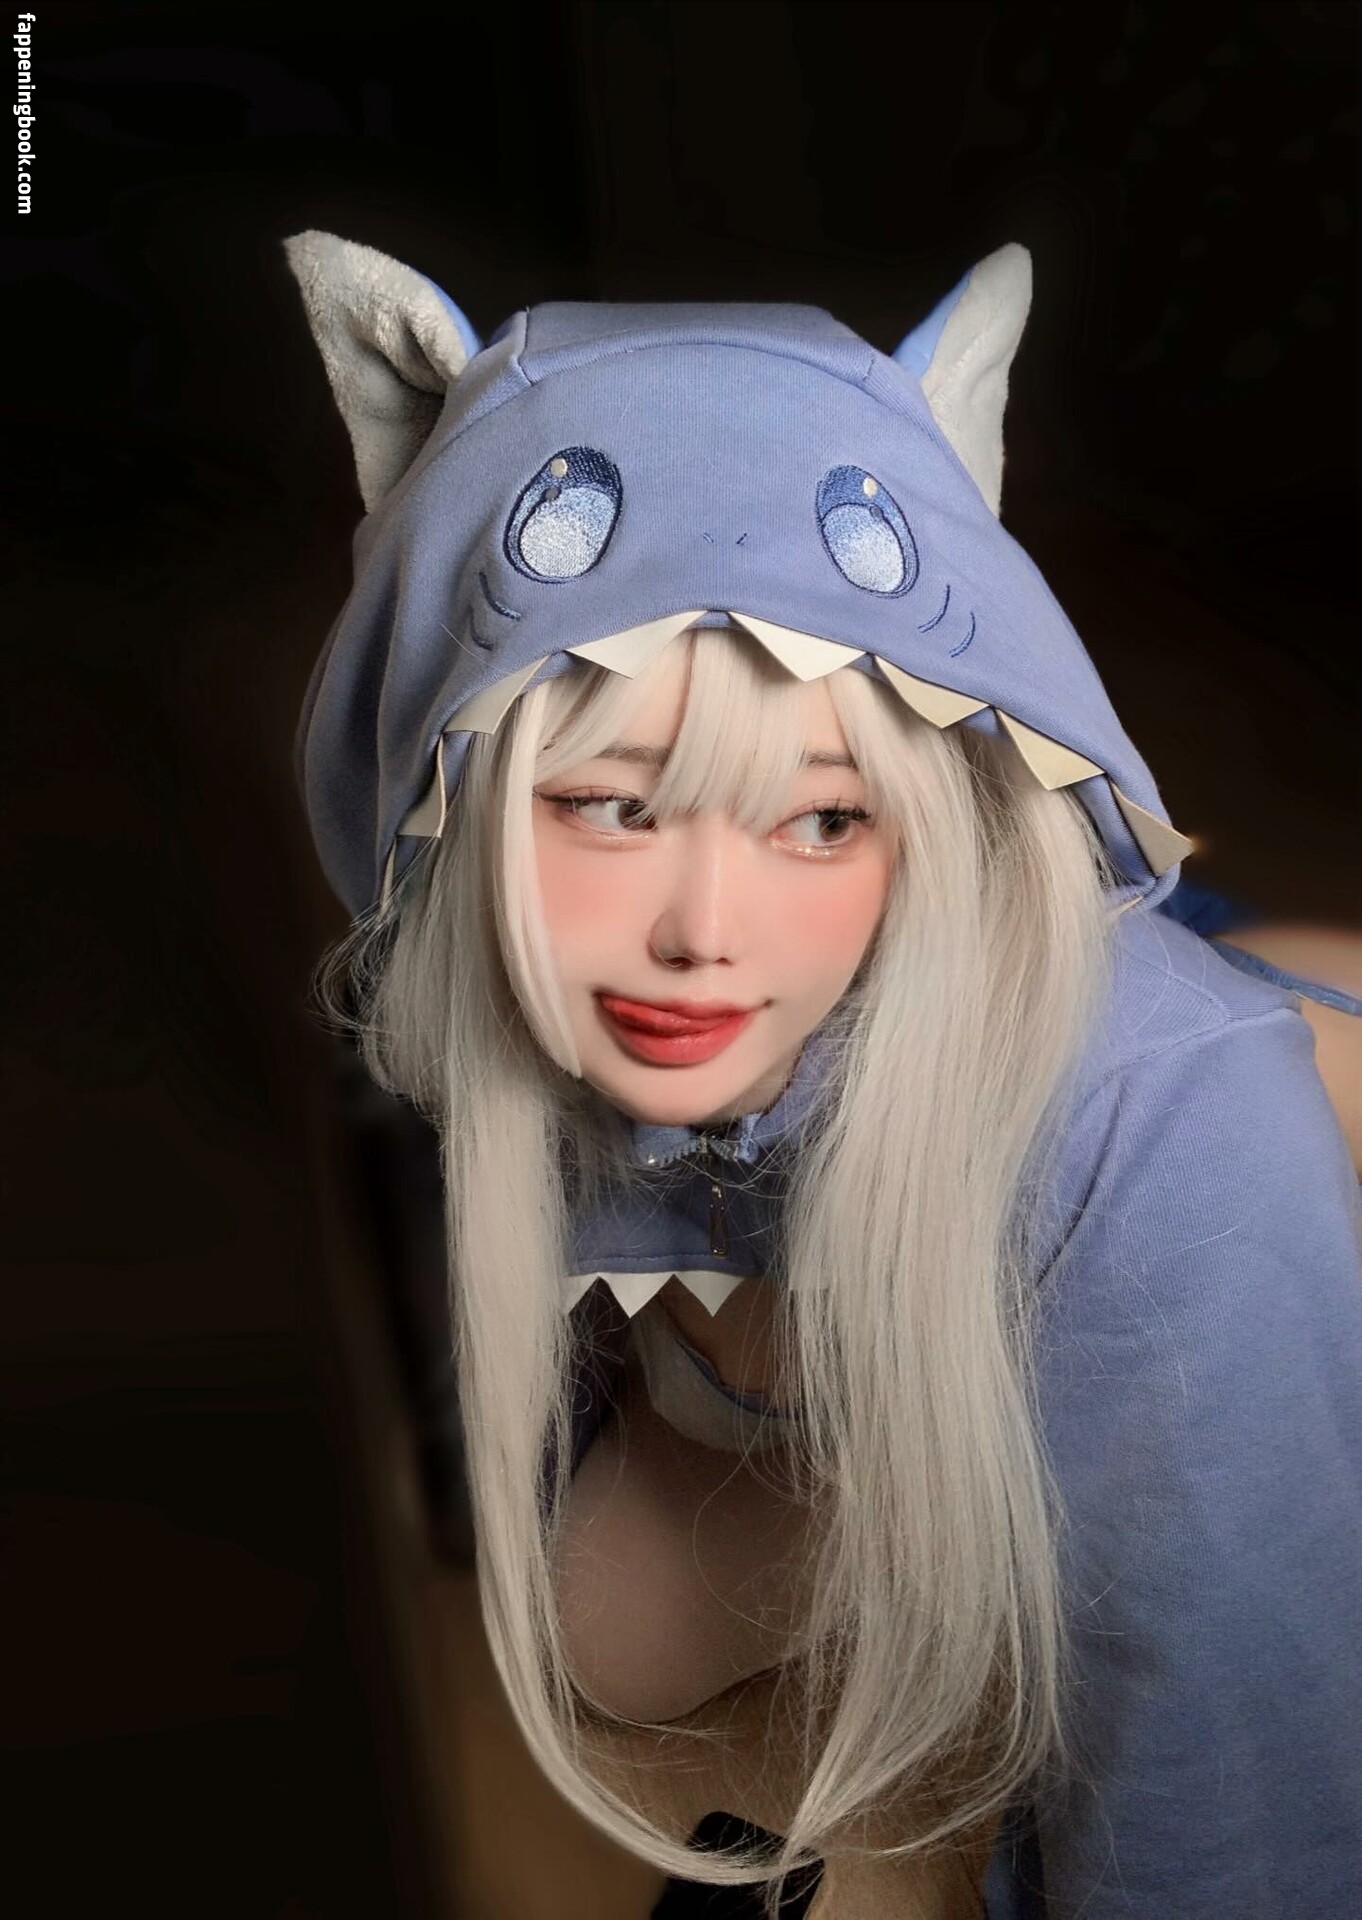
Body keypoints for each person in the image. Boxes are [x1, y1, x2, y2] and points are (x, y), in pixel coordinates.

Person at [284, 231, 1362, 1919]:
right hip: (864, 1331)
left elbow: (1242, 1800)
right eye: (612, 805)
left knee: (1253, 1103)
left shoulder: (1162, 1098)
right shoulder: (516, 967)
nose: (702, 934)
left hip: (1186, 1121)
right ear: (452, 792)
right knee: (603, 1633)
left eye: (821, 818)